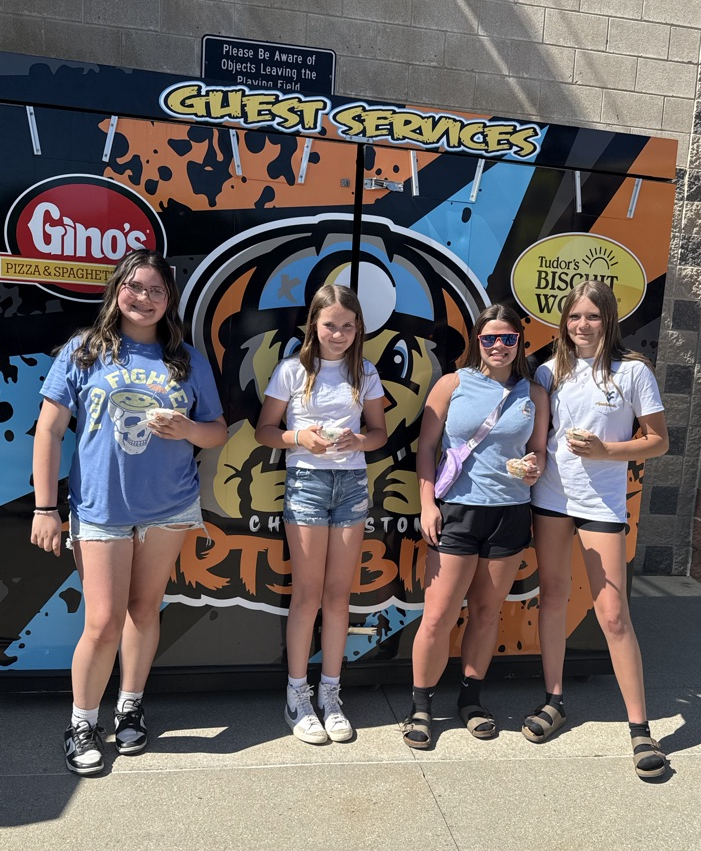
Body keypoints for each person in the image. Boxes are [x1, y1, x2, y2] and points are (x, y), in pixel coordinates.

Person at [31, 250, 227, 776]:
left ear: (169, 302)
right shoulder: (84, 351)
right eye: (135, 287)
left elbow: (217, 431)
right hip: (101, 509)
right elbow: (48, 431)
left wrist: (187, 429)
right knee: (101, 622)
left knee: (144, 611)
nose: (144, 298)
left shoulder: (185, 359)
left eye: (156, 291)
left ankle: (130, 706)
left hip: (168, 507)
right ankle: (81, 721)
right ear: (118, 289)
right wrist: (45, 507)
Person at [526, 279, 670, 780]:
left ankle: (640, 729)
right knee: (552, 598)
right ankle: (554, 700)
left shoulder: (633, 372)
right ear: (563, 322)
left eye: (591, 316)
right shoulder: (548, 371)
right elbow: (536, 436)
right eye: (573, 317)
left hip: (602, 504)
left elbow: (658, 442)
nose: (582, 325)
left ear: (608, 319)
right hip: (550, 499)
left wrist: (606, 451)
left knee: (613, 615)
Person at [402, 303, 549, 750]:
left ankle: (471, 700)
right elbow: (425, 448)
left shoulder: (533, 393)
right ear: (477, 342)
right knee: (439, 615)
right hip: (458, 512)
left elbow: (539, 450)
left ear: (519, 343)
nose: (500, 346)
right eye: (490, 338)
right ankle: (421, 707)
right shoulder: (452, 384)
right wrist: (427, 504)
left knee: (487, 613)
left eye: (508, 338)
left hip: (510, 512)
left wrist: (532, 467)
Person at [256, 284, 387, 744]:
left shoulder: (365, 372)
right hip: (307, 485)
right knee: (307, 595)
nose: (338, 334)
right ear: (314, 323)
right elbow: (265, 431)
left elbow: (379, 434)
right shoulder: (293, 370)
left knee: (338, 595)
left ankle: (331, 693)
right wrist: (300, 439)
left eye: (348, 326)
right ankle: (297, 695)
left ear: (358, 329)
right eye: (330, 324)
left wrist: (360, 442)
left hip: (352, 484)